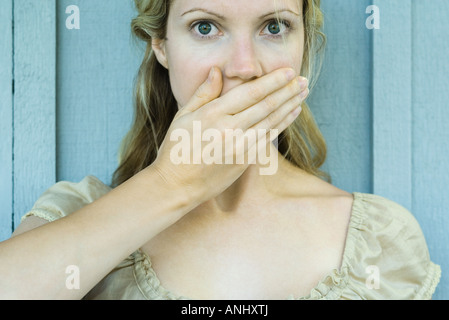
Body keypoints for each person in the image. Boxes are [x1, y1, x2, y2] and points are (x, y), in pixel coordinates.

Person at [0, 0, 441, 300]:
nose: (244, 67)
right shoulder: (76, 213)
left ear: (304, 42)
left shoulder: (379, 241)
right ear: (162, 46)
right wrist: (171, 183)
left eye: (274, 26)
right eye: (205, 27)